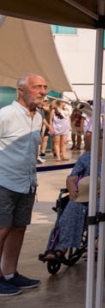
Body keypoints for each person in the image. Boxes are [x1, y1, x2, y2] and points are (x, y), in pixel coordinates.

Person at [40, 131, 105, 261]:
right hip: (86, 193)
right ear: (97, 141)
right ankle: (62, 247)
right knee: (72, 205)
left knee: (98, 205)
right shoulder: (87, 157)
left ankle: (98, 243)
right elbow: (72, 177)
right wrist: (73, 189)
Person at [0, 73, 48, 296]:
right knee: (2, 230)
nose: (43, 91)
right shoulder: (6, 115)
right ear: (21, 90)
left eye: (45, 87)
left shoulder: (38, 116)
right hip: (4, 181)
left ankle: (10, 273)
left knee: (18, 228)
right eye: (37, 87)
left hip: (27, 182)